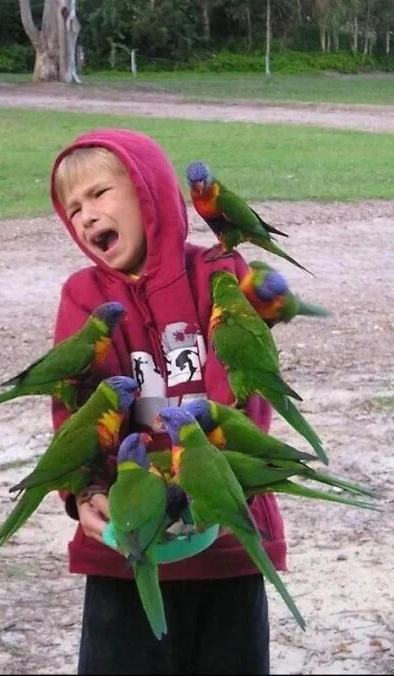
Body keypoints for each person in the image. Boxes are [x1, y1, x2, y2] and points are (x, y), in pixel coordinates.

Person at [49, 128, 287, 675]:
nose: (86, 216)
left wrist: (200, 481)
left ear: (148, 192)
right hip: (126, 547)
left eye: (99, 194)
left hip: (227, 541)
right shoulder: (83, 298)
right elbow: (76, 413)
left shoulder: (223, 275)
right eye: (73, 208)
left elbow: (245, 394)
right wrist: (84, 491)